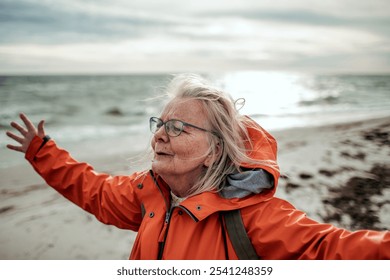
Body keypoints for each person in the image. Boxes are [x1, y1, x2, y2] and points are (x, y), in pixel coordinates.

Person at [6, 74, 390, 260]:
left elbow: (332, 249)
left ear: (214, 149)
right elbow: (93, 189)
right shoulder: (150, 195)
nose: (159, 136)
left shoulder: (254, 217)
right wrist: (42, 152)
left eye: (177, 128)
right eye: (159, 124)